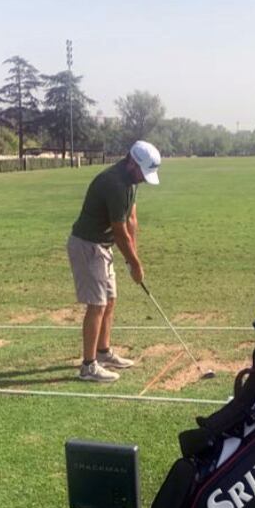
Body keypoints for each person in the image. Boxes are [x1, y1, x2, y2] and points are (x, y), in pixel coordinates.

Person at [67, 140, 161, 382]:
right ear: (131, 162)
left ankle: (103, 352)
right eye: (143, 172)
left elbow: (131, 220)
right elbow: (119, 231)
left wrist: (134, 259)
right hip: (88, 245)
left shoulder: (131, 180)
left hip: (103, 247)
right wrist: (136, 264)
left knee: (110, 300)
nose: (144, 178)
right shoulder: (114, 183)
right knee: (97, 305)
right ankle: (88, 367)